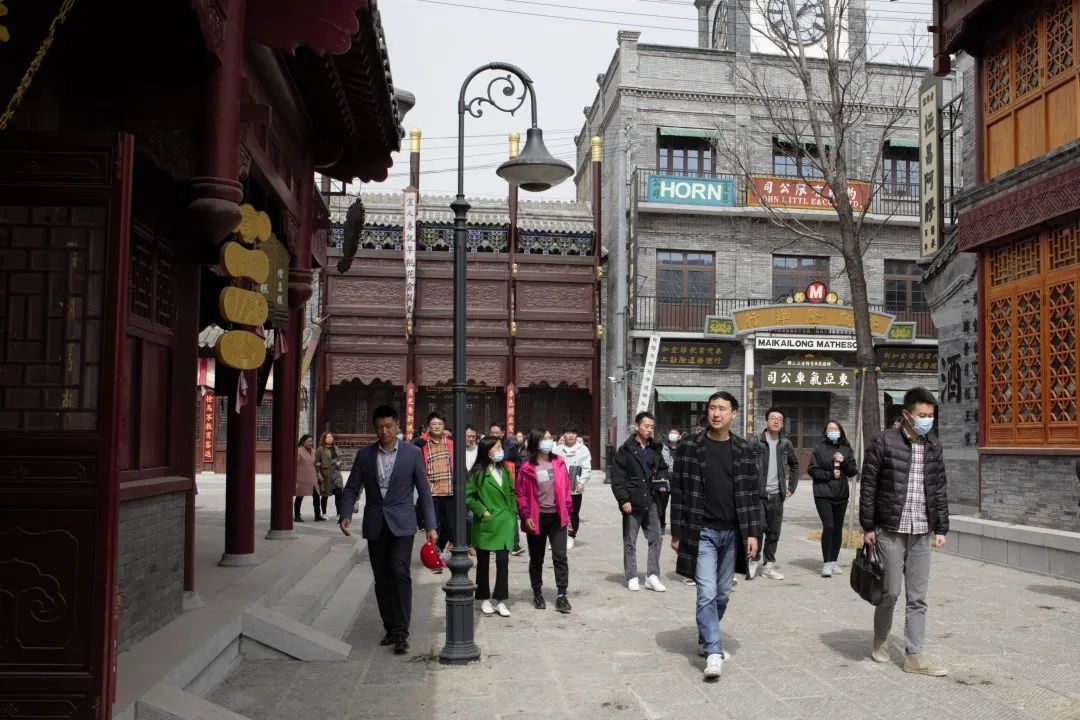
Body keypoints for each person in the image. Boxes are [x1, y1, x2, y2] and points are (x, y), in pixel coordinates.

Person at [670, 391, 764, 680]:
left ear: (733, 414)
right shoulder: (690, 446)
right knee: (707, 592)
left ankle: (705, 635)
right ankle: (713, 650)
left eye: (722, 408)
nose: (716, 413)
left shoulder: (744, 449)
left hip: (733, 533)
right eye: (712, 408)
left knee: (722, 593)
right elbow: (679, 490)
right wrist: (677, 531)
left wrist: (753, 533)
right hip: (702, 532)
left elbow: (752, 494)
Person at [860, 386, 950, 676]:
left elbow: (939, 489)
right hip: (890, 529)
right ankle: (880, 639)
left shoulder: (934, 446)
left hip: (922, 530)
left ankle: (914, 655)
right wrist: (868, 526)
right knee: (890, 591)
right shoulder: (884, 441)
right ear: (907, 415)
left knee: (918, 597)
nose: (926, 421)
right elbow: (869, 485)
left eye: (930, 416)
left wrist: (941, 528)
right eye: (921, 415)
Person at [339, 405, 437, 655]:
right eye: (380, 427)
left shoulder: (412, 454)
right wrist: (346, 513)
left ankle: (402, 632)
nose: (384, 431)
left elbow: (424, 491)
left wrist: (431, 525)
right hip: (375, 523)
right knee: (381, 577)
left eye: (389, 426)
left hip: (402, 523)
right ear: (375, 428)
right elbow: (352, 488)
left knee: (400, 572)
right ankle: (390, 628)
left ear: (397, 426)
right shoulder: (365, 455)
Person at [517, 427, 574, 613]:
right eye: (545, 438)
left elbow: (566, 490)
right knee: (537, 558)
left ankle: (562, 595)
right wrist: (526, 515)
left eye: (550, 437)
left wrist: (568, 513)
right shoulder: (527, 467)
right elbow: (521, 494)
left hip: (557, 517)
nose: (549, 441)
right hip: (537, 517)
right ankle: (537, 593)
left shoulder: (559, 462)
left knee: (560, 556)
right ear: (536, 442)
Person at [610, 411, 667, 593]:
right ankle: (632, 576)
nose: (649, 430)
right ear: (637, 426)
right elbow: (617, 478)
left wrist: (661, 479)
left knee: (656, 537)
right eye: (646, 426)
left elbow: (663, 469)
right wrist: (623, 499)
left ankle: (652, 576)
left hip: (651, 500)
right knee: (630, 541)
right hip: (632, 502)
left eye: (652, 427)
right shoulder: (625, 450)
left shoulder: (655, 449)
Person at [466, 435, 517, 617]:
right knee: (483, 563)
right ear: (486, 451)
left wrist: (512, 512)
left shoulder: (505, 470)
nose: (500, 451)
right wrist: (482, 511)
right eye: (496, 447)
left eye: (500, 447)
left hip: (504, 521)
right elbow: (469, 496)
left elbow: (511, 492)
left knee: (503, 562)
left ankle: (501, 599)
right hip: (486, 522)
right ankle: (484, 598)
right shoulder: (477, 473)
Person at [754, 408, 800, 581]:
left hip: (777, 496)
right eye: (772, 418)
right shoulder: (755, 442)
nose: (776, 421)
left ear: (782, 424)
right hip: (758, 495)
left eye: (779, 419)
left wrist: (791, 487)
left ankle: (768, 567)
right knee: (757, 530)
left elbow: (795, 465)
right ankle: (752, 561)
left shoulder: (785, 444)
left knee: (774, 533)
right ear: (766, 421)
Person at [808, 420, 858, 577]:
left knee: (837, 528)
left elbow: (852, 471)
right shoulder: (819, 449)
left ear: (841, 431)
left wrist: (843, 462)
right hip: (823, 494)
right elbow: (812, 470)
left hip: (841, 495)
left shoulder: (846, 449)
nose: (833, 431)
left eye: (835, 429)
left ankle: (834, 561)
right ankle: (826, 563)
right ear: (825, 432)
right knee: (829, 526)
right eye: (830, 429)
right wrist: (830, 474)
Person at [416, 412, 455, 556]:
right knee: (434, 526)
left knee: (450, 526)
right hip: (431, 492)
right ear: (428, 426)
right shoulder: (421, 444)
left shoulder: (451, 443)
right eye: (433, 424)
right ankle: (434, 554)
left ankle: (438, 548)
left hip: (449, 491)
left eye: (440, 424)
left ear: (444, 426)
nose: (437, 426)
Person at [553, 422, 592, 549]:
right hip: (559, 487)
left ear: (577, 435)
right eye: (568, 432)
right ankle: (556, 537)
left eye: (573, 433)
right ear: (563, 434)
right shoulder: (557, 450)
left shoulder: (583, 450)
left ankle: (571, 536)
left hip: (575, 486)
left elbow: (586, 468)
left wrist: (582, 482)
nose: (570, 435)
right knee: (557, 512)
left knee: (573, 513)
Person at [489, 421, 526, 555]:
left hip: (508, 483)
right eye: (492, 432)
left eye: (497, 433)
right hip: (491, 483)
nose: (494, 435)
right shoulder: (485, 445)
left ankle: (514, 544)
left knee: (511, 512)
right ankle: (495, 543)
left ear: (503, 433)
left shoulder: (509, 445)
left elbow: (517, 462)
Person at [315, 431, 344, 517]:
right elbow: (317, 462)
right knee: (325, 494)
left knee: (339, 493)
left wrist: (340, 462)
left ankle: (339, 513)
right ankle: (324, 513)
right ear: (324, 439)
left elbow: (341, 458)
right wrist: (318, 474)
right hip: (326, 473)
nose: (330, 439)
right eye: (328, 437)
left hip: (336, 473)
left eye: (331, 437)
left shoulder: (336, 448)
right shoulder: (320, 449)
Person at [295, 434, 324, 522]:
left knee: (316, 496)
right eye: (308, 441)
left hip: (313, 477)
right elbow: (295, 464)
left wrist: (318, 465)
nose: (311, 443)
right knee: (299, 497)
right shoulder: (298, 451)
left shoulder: (313, 451)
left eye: (311, 441)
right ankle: (297, 516)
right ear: (303, 442)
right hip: (302, 477)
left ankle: (317, 515)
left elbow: (316, 462)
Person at [659, 428, 682, 535]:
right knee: (662, 504)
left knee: (676, 505)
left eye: (675, 433)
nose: (672, 434)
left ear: (679, 436)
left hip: (677, 479)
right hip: (665, 478)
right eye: (671, 432)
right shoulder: (663, 447)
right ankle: (661, 525)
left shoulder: (682, 448)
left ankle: (676, 527)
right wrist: (662, 477)